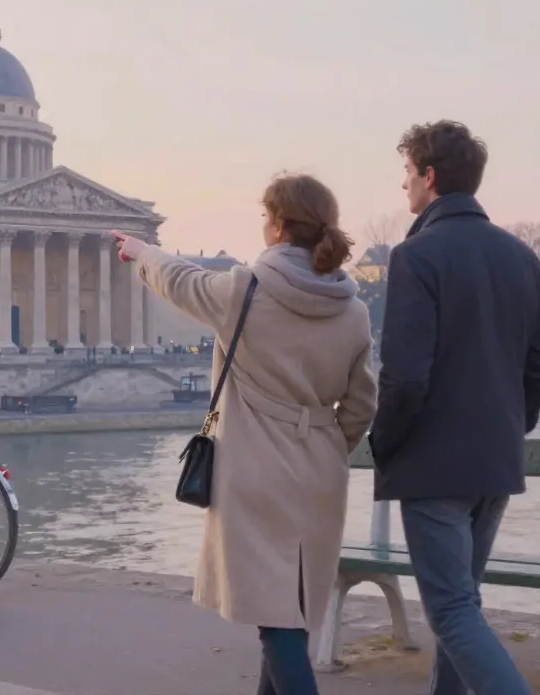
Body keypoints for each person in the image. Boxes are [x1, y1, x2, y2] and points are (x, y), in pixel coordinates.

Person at [114, 174, 377, 695]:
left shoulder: (245, 290)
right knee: (292, 608)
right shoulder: (354, 310)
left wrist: (142, 252)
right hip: (322, 468)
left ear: (278, 225)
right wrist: (324, 442)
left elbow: (181, 280)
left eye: (266, 217)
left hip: (254, 470)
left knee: (273, 616)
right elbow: (363, 405)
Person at [369, 121, 540, 695]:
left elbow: (404, 378)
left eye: (407, 174)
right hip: (494, 463)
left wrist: (384, 443)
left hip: (434, 467)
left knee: (452, 612)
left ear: (429, 178)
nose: (403, 186)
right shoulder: (521, 257)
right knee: (464, 607)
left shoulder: (416, 256)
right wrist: (509, 422)